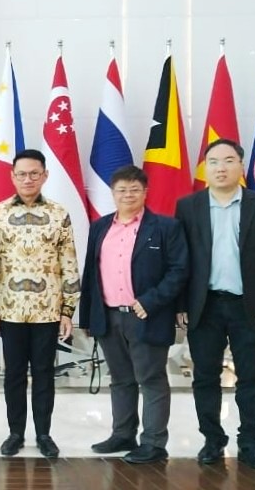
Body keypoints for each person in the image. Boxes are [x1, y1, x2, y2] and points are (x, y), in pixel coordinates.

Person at [175, 138, 255, 471]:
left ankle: (250, 443)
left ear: (240, 165)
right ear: (205, 167)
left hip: (247, 307)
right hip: (204, 306)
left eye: (228, 161)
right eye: (213, 162)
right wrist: (181, 303)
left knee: (251, 377)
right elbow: (180, 260)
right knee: (205, 377)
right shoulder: (188, 206)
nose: (220, 168)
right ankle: (212, 440)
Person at [79, 165, 188, 464]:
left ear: (145, 192)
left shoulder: (165, 228)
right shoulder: (100, 227)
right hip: (109, 316)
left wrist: (150, 301)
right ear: (112, 194)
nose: (128, 195)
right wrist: (88, 316)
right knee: (121, 379)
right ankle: (123, 434)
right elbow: (91, 273)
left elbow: (179, 271)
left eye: (134, 189)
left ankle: (153, 443)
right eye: (121, 190)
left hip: (146, 315)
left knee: (151, 378)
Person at [0, 148, 79, 459]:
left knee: (44, 374)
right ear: (12, 176)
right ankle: (15, 432)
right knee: (13, 375)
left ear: (45, 175)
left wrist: (68, 310)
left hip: (47, 311)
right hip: (9, 311)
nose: (27, 179)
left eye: (34, 173)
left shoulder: (59, 214)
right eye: (21, 174)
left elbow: (69, 264)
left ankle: (44, 433)